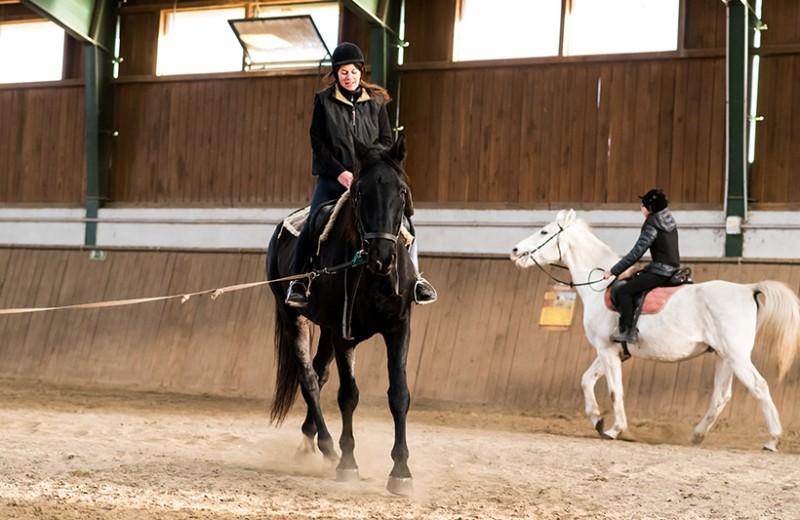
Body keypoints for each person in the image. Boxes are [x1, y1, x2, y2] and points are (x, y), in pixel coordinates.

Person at [285, 42, 437, 308]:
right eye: (343, 72)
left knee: (406, 225)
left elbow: (386, 140)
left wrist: (372, 171)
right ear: (336, 73)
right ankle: (299, 282)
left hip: (369, 181)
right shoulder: (323, 101)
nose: (349, 77)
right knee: (312, 223)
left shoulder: (376, 102)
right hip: (334, 179)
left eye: (353, 71)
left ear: (361, 71)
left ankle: (416, 280)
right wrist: (340, 173)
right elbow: (318, 144)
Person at [602, 188, 680, 343]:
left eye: (643, 205)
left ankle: (627, 330)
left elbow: (636, 252)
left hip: (660, 271)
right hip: (672, 268)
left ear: (650, 208)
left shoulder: (652, 223)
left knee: (624, 291)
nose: (641, 208)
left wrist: (613, 271)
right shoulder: (669, 219)